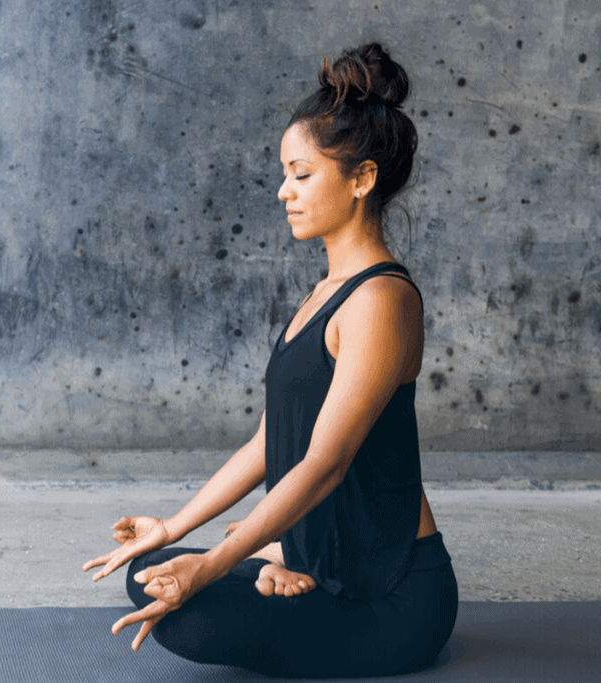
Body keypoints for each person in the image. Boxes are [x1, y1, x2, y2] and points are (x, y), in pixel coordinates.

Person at [82, 43, 458, 678]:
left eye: (302, 174)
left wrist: (213, 565)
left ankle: (289, 568)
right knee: (151, 576)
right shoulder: (323, 295)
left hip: (392, 595)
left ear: (362, 179)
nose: (284, 191)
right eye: (284, 173)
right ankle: (289, 564)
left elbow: (324, 464)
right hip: (327, 554)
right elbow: (267, 442)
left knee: (192, 611)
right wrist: (171, 532)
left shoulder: (381, 300)